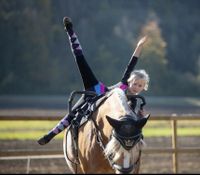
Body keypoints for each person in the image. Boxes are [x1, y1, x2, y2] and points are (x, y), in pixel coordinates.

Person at [37, 17, 149, 145]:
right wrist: (139, 46)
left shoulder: (134, 101)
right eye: (135, 83)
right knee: (81, 62)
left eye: (140, 85)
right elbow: (132, 63)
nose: (136, 87)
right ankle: (50, 135)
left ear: (144, 87)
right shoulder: (124, 84)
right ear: (129, 81)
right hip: (98, 91)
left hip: (103, 108)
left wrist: (140, 117)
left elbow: (129, 122)